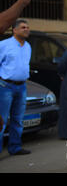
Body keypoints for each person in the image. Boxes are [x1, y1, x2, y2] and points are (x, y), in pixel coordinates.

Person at [0, 19, 32, 155]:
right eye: (23, 27)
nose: (26, 29)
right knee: (1, 121)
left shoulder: (28, 46)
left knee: (18, 120)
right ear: (14, 29)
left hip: (22, 87)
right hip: (5, 87)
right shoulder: (4, 45)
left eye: (28, 27)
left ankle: (15, 147)